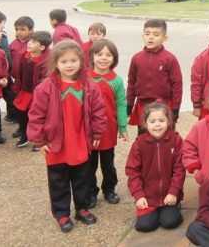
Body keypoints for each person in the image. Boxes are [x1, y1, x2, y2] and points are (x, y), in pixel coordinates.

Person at [27, 40, 107, 232]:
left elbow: (99, 111)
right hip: (57, 144)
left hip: (80, 142)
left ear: (81, 61)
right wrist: (39, 139)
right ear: (55, 63)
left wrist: (97, 131)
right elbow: (36, 115)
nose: (69, 65)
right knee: (58, 181)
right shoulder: (45, 88)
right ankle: (62, 214)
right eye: (64, 61)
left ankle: (82, 208)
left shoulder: (89, 86)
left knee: (83, 178)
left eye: (73, 60)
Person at [125, 101, 185, 232]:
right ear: (145, 124)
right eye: (152, 121)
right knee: (145, 226)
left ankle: (174, 206)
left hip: (168, 195)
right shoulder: (139, 144)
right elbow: (132, 171)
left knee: (170, 222)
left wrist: (174, 192)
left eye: (161, 120)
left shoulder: (176, 140)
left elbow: (179, 169)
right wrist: (139, 195)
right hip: (148, 196)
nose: (157, 125)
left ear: (168, 122)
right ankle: (155, 211)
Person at [87, 38, 128, 208]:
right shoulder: (85, 78)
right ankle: (91, 192)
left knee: (107, 163)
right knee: (89, 164)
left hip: (108, 128)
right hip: (88, 128)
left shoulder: (116, 81)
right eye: (99, 54)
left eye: (108, 55)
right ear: (92, 56)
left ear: (114, 59)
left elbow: (121, 104)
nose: (103, 58)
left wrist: (123, 126)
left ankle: (109, 189)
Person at [126, 19, 183, 130]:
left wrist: (175, 108)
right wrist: (129, 104)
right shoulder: (136, 58)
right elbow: (131, 83)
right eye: (147, 34)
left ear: (164, 38)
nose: (150, 37)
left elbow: (177, 85)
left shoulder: (170, 59)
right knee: (143, 137)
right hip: (143, 106)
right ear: (143, 36)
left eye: (156, 34)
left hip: (164, 105)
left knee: (166, 136)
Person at [13, 30, 51, 148]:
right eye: (30, 40)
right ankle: (24, 135)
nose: (29, 43)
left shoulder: (46, 61)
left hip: (36, 93)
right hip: (24, 90)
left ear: (42, 47)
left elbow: (44, 80)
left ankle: (39, 139)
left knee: (37, 116)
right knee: (21, 114)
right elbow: (17, 71)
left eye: (33, 42)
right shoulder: (23, 54)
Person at [9, 15, 35, 129]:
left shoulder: (35, 43)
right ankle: (21, 128)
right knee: (19, 105)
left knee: (30, 106)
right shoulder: (13, 44)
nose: (19, 32)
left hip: (29, 81)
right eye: (17, 29)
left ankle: (30, 129)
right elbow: (9, 60)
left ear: (31, 30)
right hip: (18, 80)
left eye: (22, 29)